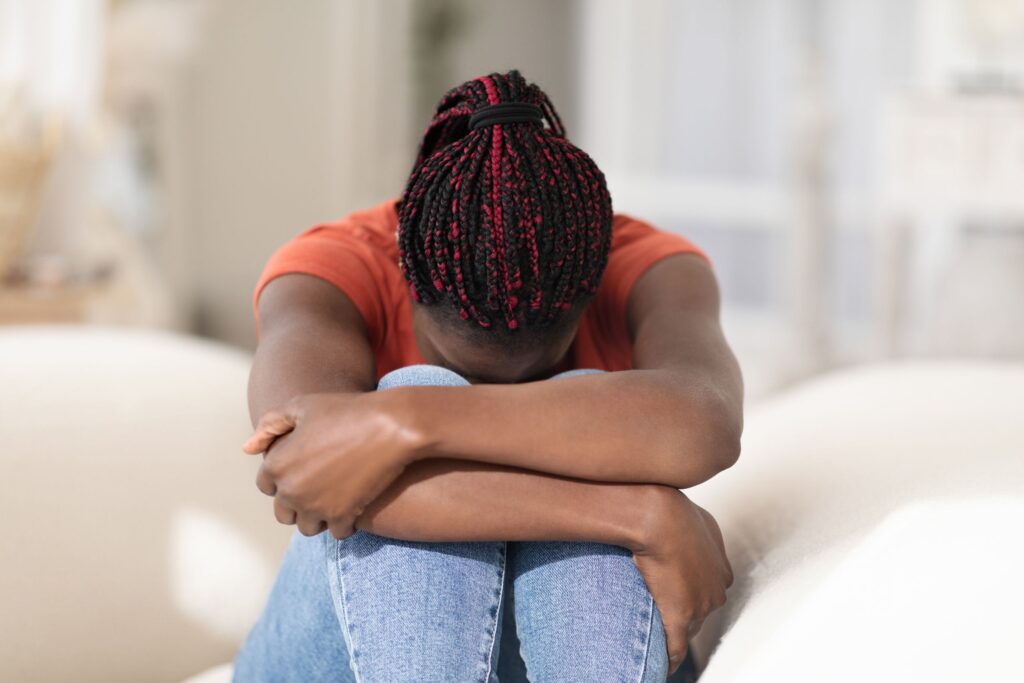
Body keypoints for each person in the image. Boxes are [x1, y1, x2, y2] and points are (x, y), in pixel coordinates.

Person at [232, 69, 742, 683]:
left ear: (592, 282)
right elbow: (300, 472)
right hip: (346, 656)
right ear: (404, 270)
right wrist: (638, 514)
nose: (503, 385)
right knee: (425, 384)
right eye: (470, 361)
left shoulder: (646, 267)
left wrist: (404, 426)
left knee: (528, 405)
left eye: (535, 362)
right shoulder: (330, 271)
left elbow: (704, 424)